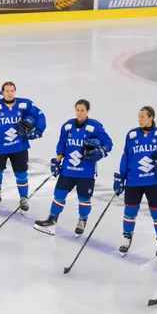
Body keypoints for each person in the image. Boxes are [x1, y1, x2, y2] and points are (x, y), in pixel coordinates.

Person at [34, 99, 113, 236]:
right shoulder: (68, 126)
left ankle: (82, 220)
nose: (79, 113)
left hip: (86, 172)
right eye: (77, 110)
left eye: (82, 110)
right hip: (68, 170)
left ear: (87, 111)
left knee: (84, 199)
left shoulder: (95, 126)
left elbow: (108, 142)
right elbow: (62, 145)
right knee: (59, 194)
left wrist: (102, 150)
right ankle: (52, 220)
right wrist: (57, 161)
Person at [113, 106, 157, 260]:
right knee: (129, 211)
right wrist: (121, 177)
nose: (140, 119)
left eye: (143, 116)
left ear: (151, 117)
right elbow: (126, 157)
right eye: (139, 116)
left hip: (154, 181)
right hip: (133, 181)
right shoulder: (131, 135)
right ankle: (127, 237)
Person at [0, 81, 46, 212]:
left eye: (12, 91)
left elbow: (39, 115)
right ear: (3, 92)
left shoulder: (24, 104)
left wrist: (38, 130)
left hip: (19, 147)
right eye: (7, 91)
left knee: (22, 174)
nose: (10, 93)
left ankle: (23, 197)